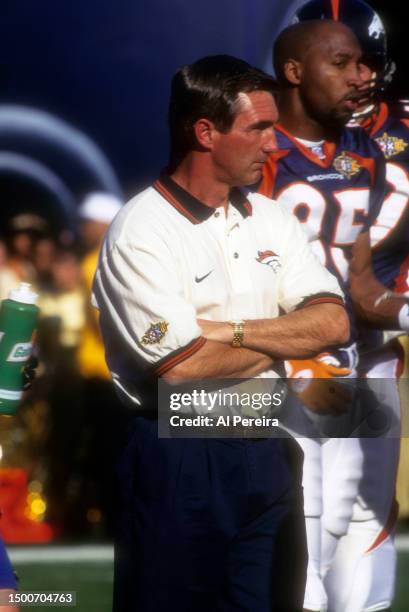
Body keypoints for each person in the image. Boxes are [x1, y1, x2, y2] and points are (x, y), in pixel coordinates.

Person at [93, 54, 349, 612]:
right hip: (179, 453)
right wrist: (284, 334)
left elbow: (333, 321)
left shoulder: (270, 217)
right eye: (258, 127)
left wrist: (226, 331)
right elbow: (182, 368)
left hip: (270, 443)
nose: (274, 143)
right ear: (205, 132)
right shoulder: (141, 231)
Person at [257, 18, 405, 612]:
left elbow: (363, 287)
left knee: (365, 514)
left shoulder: (365, 153)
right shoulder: (260, 147)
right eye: (341, 64)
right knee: (301, 535)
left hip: (352, 358)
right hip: (279, 363)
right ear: (294, 72)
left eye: (362, 63)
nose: (359, 76)